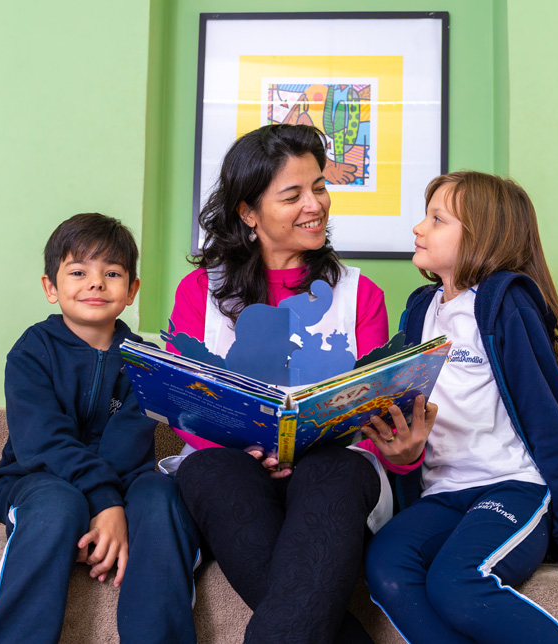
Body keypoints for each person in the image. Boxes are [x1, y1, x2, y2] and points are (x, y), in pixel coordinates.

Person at [169, 124, 436, 644]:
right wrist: (240, 445)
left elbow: (379, 416)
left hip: (332, 474)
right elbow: (184, 399)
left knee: (330, 471)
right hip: (231, 471)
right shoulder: (199, 290)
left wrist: (404, 453)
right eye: (292, 195)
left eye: (319, 186)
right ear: (249, 213)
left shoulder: (362, 294)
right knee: (211, 470)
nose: (315, 204)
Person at [364, 171, 558, 643]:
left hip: (511, 488)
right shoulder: (419, 310)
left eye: (436, 219)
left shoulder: (502, 305)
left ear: (481, 238)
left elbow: (548, 419)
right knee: (385, 566)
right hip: (442, 493)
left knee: (456, 585)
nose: (418, 228)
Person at [0, 213, 199, 644]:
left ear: (131, 291)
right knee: (59, 504)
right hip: (36, 478)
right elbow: (42, 442)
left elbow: (129, 443)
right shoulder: (31, 352)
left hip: (125, 479)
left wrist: (113, 501)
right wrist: (104, 503)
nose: (95, 283)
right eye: (78, 272)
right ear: (50, 287)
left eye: (111, 273)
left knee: (161, 495)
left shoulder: (144, 361)